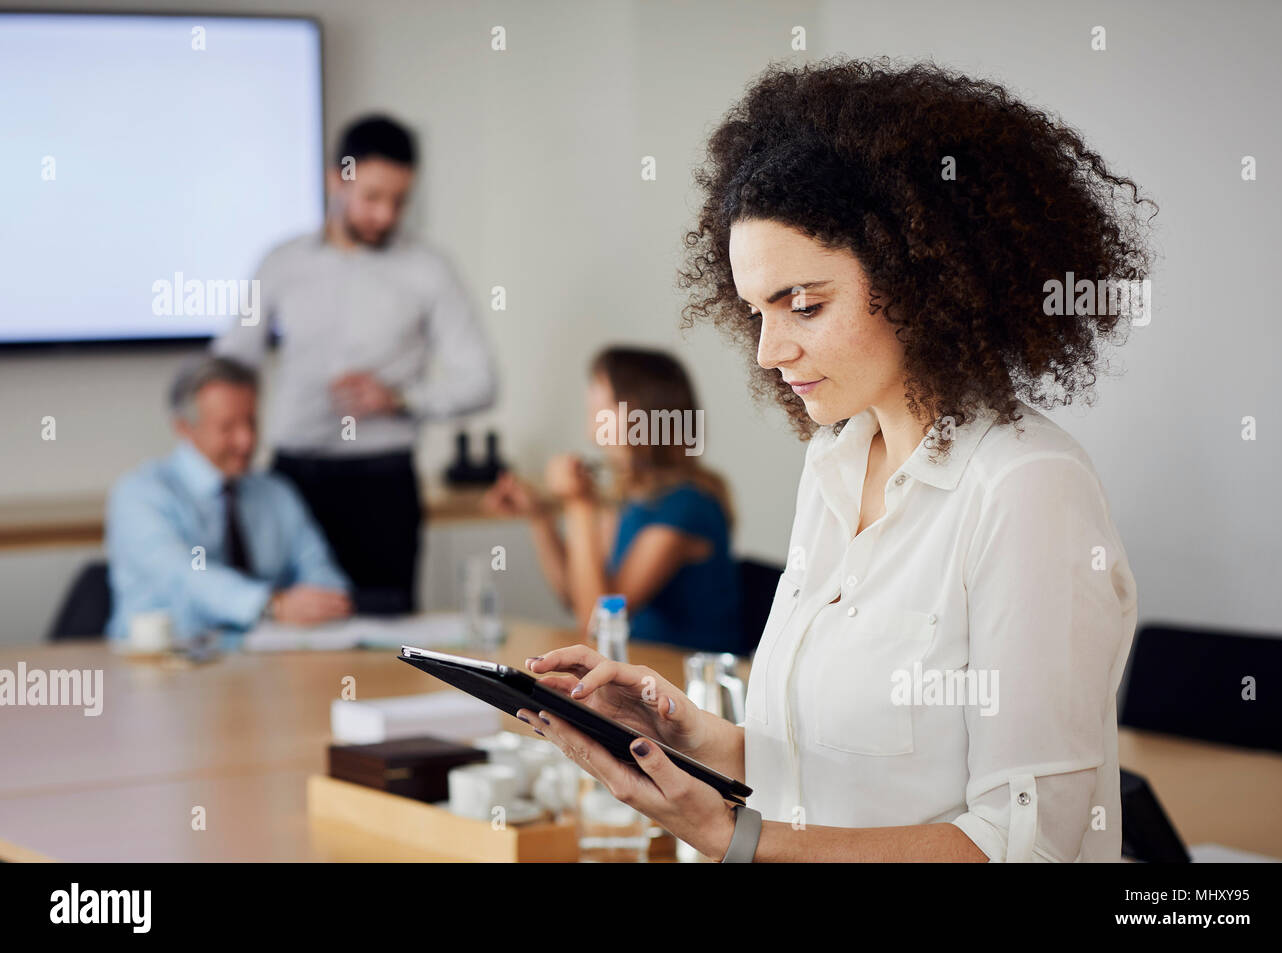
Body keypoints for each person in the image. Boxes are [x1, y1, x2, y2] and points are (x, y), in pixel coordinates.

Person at [513, 57, 1154, 862]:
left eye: (804, 305)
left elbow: (1025, 844)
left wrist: (738, 837)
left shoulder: (1027, 488)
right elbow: (831, 772)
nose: (770, 348)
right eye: (754, 311)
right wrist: (683, 731)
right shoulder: (836, 461)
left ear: (925, 277)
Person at [214, 114, 497, 615]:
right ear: (335, 179)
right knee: (288, 631)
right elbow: (232, 364)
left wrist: (401, 400)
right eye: (372, 197)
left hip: (383, 487)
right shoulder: (281, 262)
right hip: (289, 483)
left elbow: (480, 381)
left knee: (385, 639)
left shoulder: (429, 268)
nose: (386, 215)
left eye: (399, 201)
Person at [483, 347, 743, 653]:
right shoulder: (629, 499)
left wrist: (578, 505)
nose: (590, 396)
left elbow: (595, 622)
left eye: (602, 390)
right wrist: (539, 517)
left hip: (685, 682)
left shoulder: (686, 505)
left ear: (640, 409)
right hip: (644, 669)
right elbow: (576, 596)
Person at [105, 357, 352, 643]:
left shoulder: (275, 493)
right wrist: (270, 606)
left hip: (267, 664)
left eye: (251, 422)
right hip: (163, 668)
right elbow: (185, 577)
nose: (246, 441)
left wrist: (321, 603)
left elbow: (320, 570)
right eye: (227, 427)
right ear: (184, 427)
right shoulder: (140, 495)